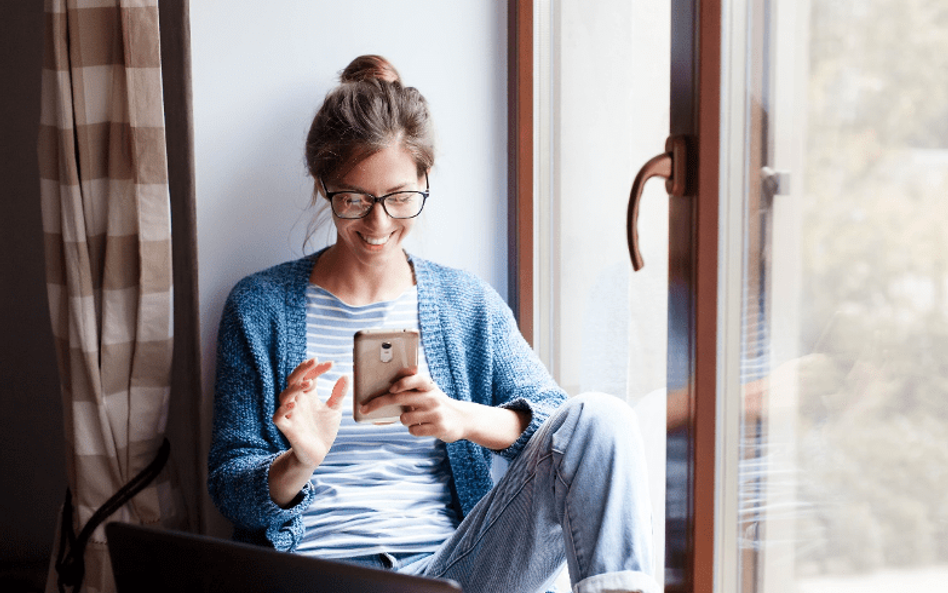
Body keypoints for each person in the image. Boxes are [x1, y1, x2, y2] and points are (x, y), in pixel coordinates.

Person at [208, 55, 657, 593]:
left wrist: (458, 418)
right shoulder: (259, 308)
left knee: (601, 418)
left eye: (400, 198)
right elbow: (230, 485)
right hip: (315, 576)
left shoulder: (465, 304)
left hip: (453, 575)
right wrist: (296, 462)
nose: (379, 224)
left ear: (425, 178)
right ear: (324, 185)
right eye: (356, 200)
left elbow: (558, 435)